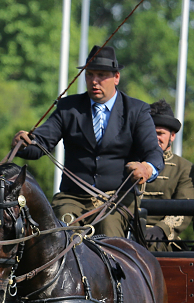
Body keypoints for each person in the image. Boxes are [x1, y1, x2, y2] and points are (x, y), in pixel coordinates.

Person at [12, 45, 164, 238]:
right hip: (72, 198)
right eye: (90, 74)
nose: (94, 81)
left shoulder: (137, 110)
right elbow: (40, 145)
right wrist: (23, 144)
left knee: (109, 229)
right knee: (63, 229)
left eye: (101, 75)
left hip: (115, 199)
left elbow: (153, 153)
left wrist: (147, 169)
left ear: (116, 77)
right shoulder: (68, 108)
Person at [140, 100, 194, 250]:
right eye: (150, 133)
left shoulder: (184, 168)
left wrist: (161, 229)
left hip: (162, 238)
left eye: (160, 134)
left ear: (172, 136)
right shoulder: (130, 162)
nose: (155, 138)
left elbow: (184, 208)